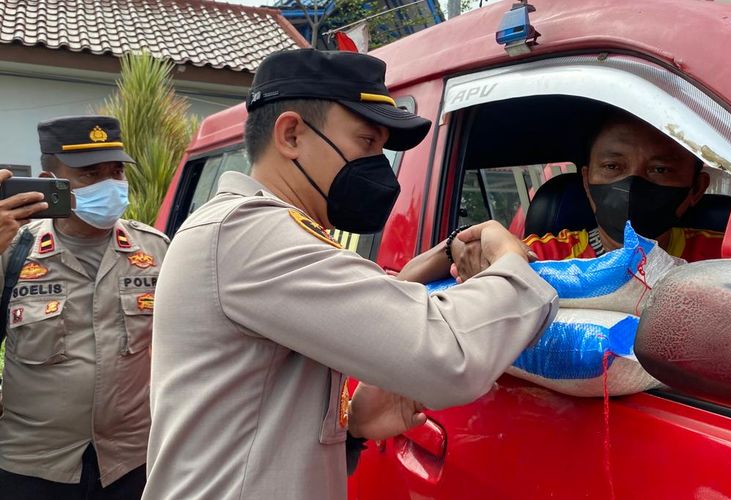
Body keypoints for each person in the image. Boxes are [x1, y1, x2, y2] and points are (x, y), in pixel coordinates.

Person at [144, 49, 558, 500]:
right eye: (366, 143)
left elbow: (250, 426)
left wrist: (353, 427)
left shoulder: (253, 233)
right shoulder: (248, 233)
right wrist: (514, 266)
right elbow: (447, 356)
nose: (379, 166)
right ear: (291, 135)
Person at [0, 116, 169, 499]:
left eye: (116, 171)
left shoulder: (156, 249)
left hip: (131, 462)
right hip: (33, 467)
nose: (110, 185)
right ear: (49, 180)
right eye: (90, 174)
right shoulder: (13, 251)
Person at [522, 110, 731, 262]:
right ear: (587, 181)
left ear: (696, 189)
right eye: (612, 166)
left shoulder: (727, 260)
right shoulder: (543, 258)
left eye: (660, 169)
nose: (631, 185)